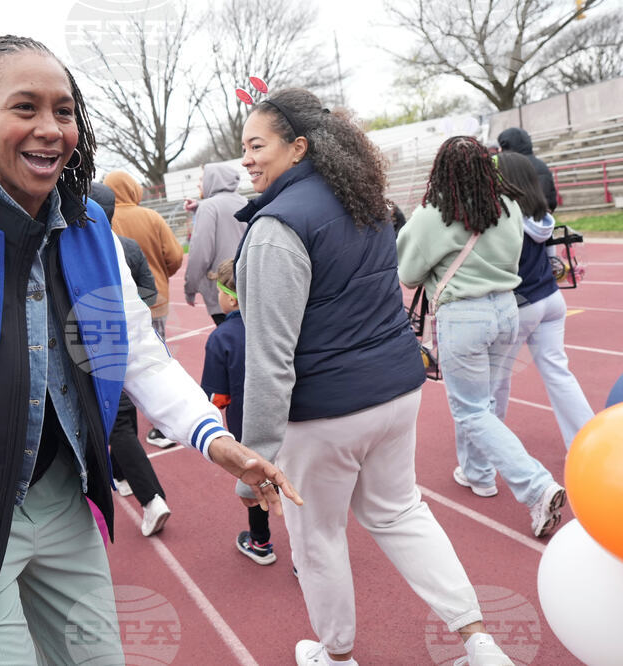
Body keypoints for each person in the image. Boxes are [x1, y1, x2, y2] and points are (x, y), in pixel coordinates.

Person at [0, 35, 299, 665]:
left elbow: (137, 355)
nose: (50, 128)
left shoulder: (91, 229)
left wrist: (213, 438)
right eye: (26, 108)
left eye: (63, 111)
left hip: (63, 497)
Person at [236, 90, 513, 666]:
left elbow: (269, 355)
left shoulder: (277, 227)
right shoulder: (367, 200)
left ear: (300, 147)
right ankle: (477, 640)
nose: (246, 159)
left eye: (256, 145)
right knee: (401, 511)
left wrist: (252, 459)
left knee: (319, 539)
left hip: (327, 413)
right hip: (396, 390)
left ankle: (336, 655)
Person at [398, 137, 566, 538]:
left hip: (464, 316)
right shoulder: (508, 204)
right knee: (487, 398)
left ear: (440, 170)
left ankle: (535, 485)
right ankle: (479, 473)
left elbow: (407, 273)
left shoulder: (432, 213)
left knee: (471, 410)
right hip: (506, 309)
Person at [493, 152, 593, 448]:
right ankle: (588, 442)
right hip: (551, 299)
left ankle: (488, 451)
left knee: (495, 381)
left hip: (521, 303)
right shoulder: (542, 216)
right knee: (559, 373)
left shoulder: (504, 218)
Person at [89, 183, 172, 536]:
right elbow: (151, 290)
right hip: (110, 342)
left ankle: (152, 498)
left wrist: (118, 306)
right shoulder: (128, 247)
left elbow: (146, 292)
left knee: (118, 426)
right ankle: (119, 475)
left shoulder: (111, 251)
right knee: (115, 423)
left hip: (102, 346)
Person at [200, 259, 276, 566]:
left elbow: (216, 398)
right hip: (294, 419)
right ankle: (304, 557)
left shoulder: (222, 338)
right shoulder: (282, 321)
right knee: (297, 481)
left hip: (250, 427)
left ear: (230, 297)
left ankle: (261, 544)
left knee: (257, 482)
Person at [104, 170, 185, 448]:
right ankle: (164, 421)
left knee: (121, 363)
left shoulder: (102, 220)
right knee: (155, 359)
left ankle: (124, 428)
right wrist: (161, 272)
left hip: (115, 305)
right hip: (155, 300)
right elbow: (174, 256)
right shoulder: (150, 216)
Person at [183, 163, 248, 325]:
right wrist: (199, 206)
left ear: (212, 180)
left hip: (223, 290)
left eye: (201, 179)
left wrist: (190, 289)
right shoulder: (245, 202)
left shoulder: (208, 207)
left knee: (230, 342)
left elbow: (200, 254)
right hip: (247, 285)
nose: (199, 183)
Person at [497, 127, 557, 211]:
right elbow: (551, 200)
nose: (499, 150)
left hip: (519, 218)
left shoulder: (507, 167)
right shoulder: (542, 165)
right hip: (541, 218)